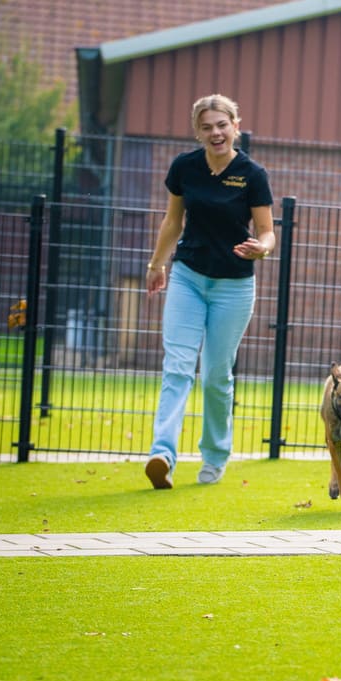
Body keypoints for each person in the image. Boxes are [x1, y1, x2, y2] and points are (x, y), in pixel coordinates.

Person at [143, 94, 275, 489]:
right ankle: (162, 454)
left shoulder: (252, 174)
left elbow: (267, 230)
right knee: (177, 366)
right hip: (188, 276)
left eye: (222, 124)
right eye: (207, 126)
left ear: (236, 125)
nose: (215, 132)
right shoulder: (185, 167)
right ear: (197, 131)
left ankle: (215, 456)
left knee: (217, 374)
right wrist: (156, 265)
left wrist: (262, 248)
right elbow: (172, 222)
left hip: (234, 285)